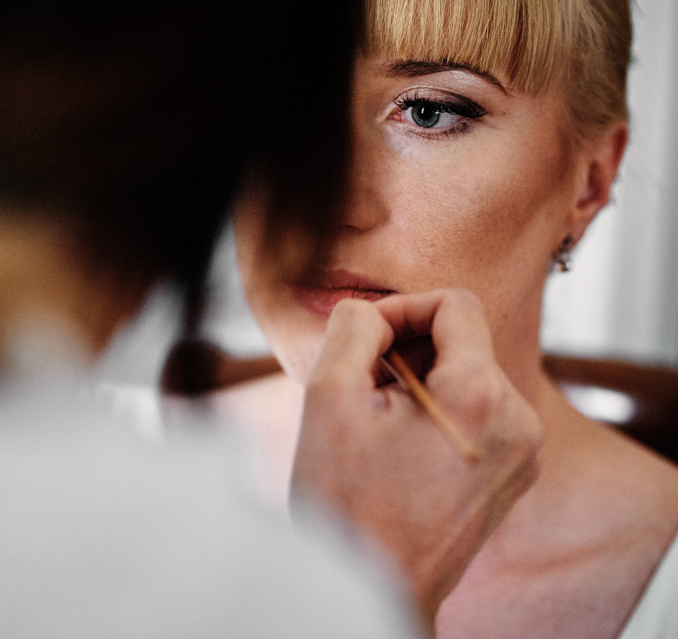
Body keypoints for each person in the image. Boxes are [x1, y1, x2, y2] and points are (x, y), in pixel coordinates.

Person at [0, 1, 541, 637]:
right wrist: (364, 583)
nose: (335, 204)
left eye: (429, 111)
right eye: (302, 133)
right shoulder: (230, 587)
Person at [229, 0, 678, 637]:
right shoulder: (104, 459)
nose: (322, 204)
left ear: (589, 181)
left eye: (428, 112)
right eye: (275, 107)